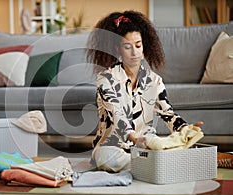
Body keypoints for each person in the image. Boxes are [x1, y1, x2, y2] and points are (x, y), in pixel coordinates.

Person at [86, 10, 204, 172]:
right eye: (127, 47)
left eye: (138, 45)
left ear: (144, 46)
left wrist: (186, 129)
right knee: (105, 157)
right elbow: (117, 115)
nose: (134, 52)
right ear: (118, 49)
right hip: (113, 147)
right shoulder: (106, 78)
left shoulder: (154, 81)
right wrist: (134, 138)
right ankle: (157, 164)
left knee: (159, 147)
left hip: (146, 143)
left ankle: (151, 164)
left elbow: (168, 114)